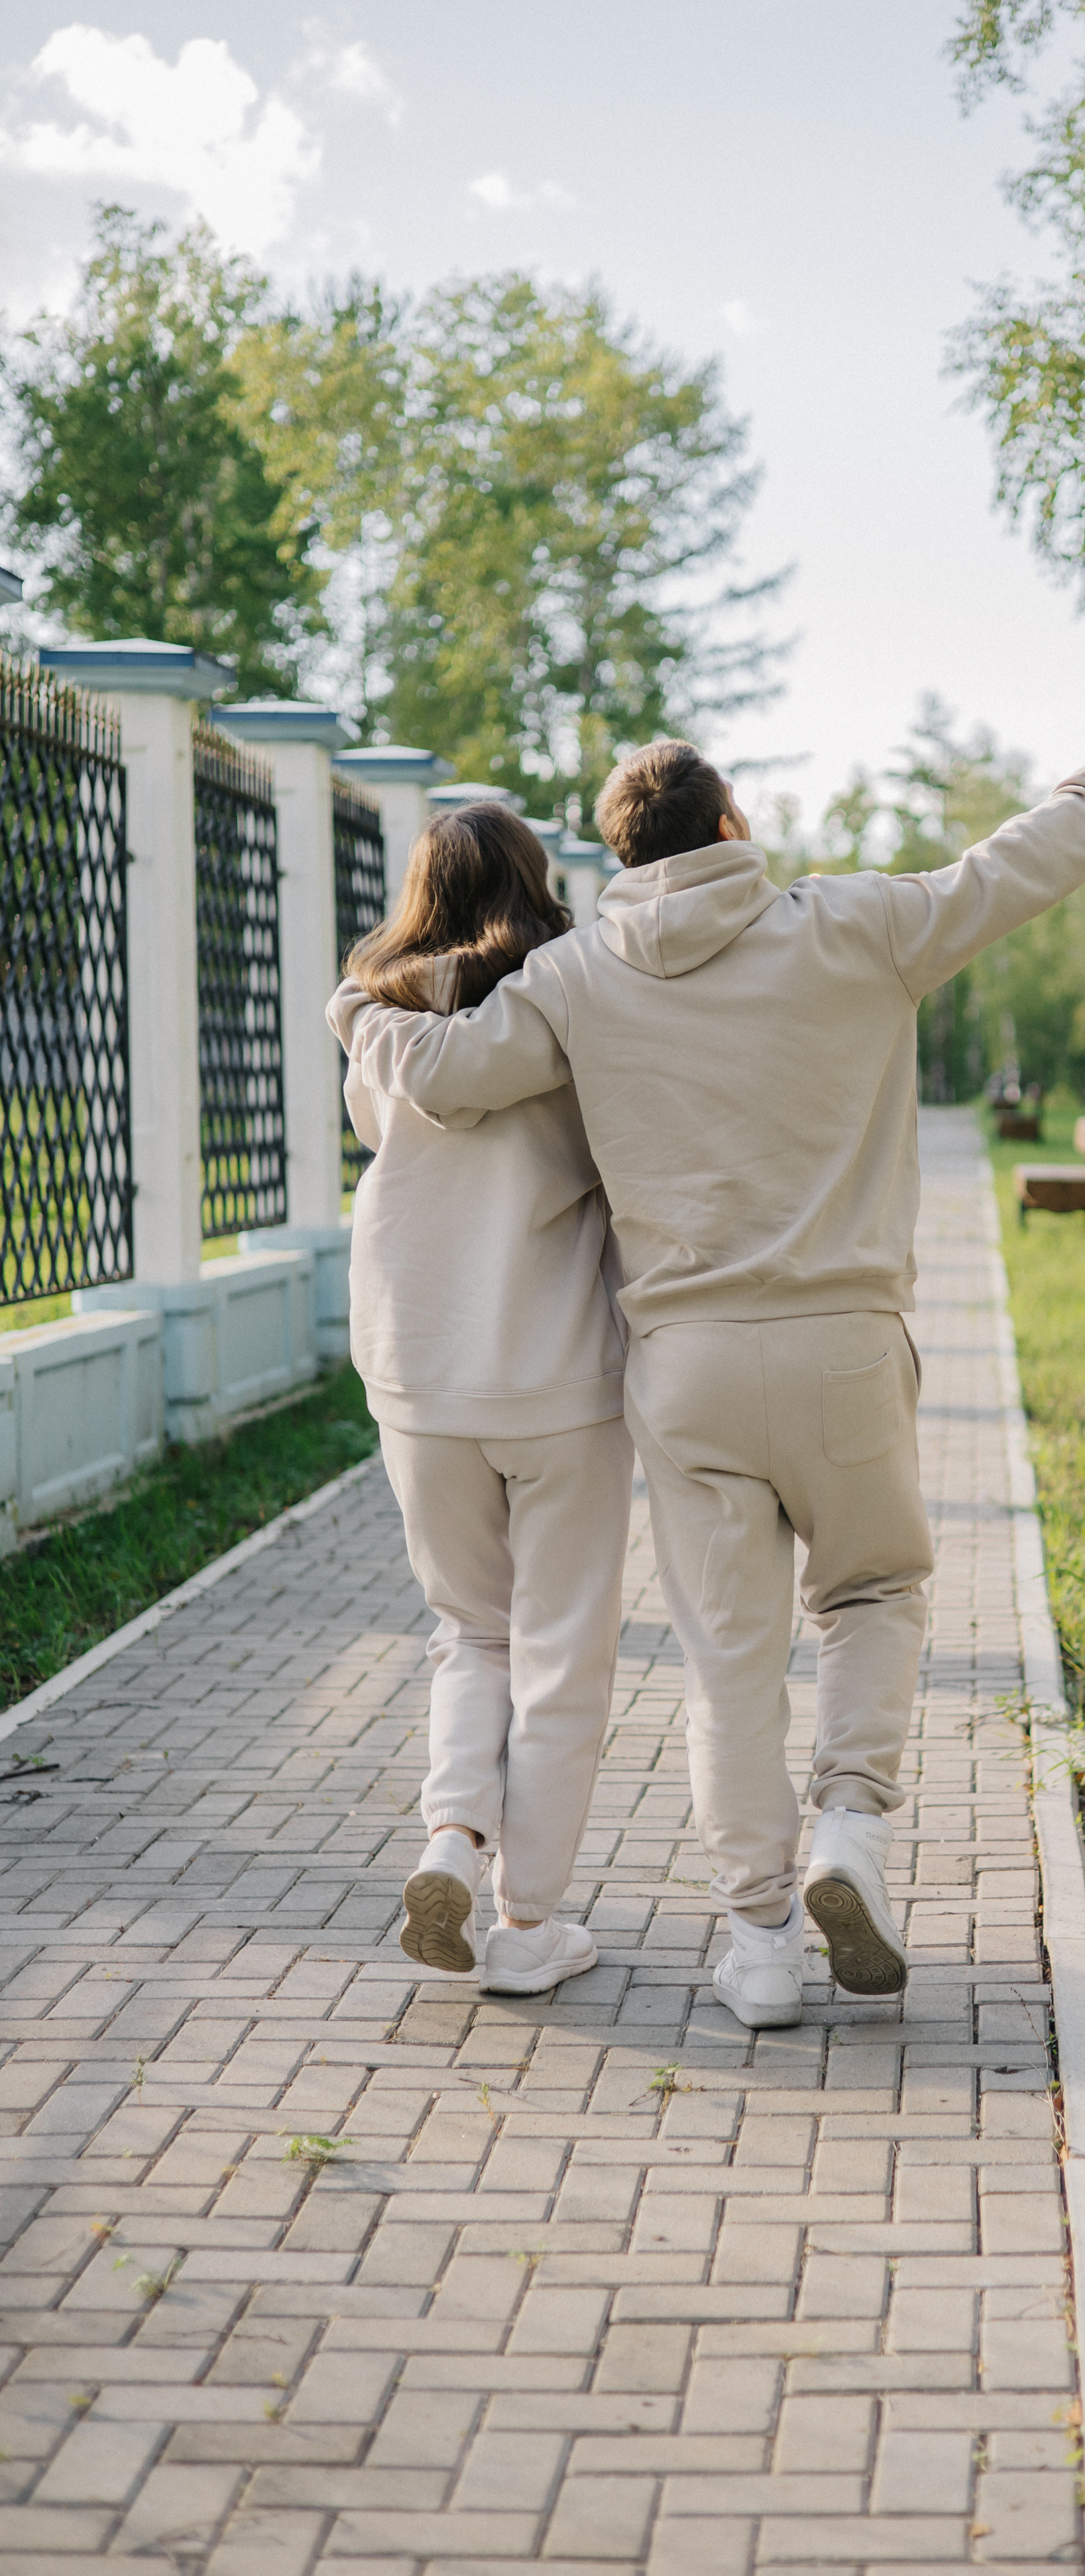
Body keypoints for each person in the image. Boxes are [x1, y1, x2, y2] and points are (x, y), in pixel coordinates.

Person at [331, 702, 1085, 2030]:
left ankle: (759, 1947)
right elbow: (1006, 874)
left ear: (618, 855)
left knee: (728, 1665)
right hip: (841, 1344)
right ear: (729, 826)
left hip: (683, 1368)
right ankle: (848, 1830)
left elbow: (448, 1076)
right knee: (874, 1594)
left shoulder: (578, 973)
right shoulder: (851, 925)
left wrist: (358, 1006)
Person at [333, 802, 632, 1996]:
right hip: (556, 1373)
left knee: (470, 1631)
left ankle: (450, 1836)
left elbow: (385, 1139)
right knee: (560, 1653)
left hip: (418, 1372)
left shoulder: (376, 1016)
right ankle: (527, 1925)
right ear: (534, 877)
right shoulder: (575, 995)